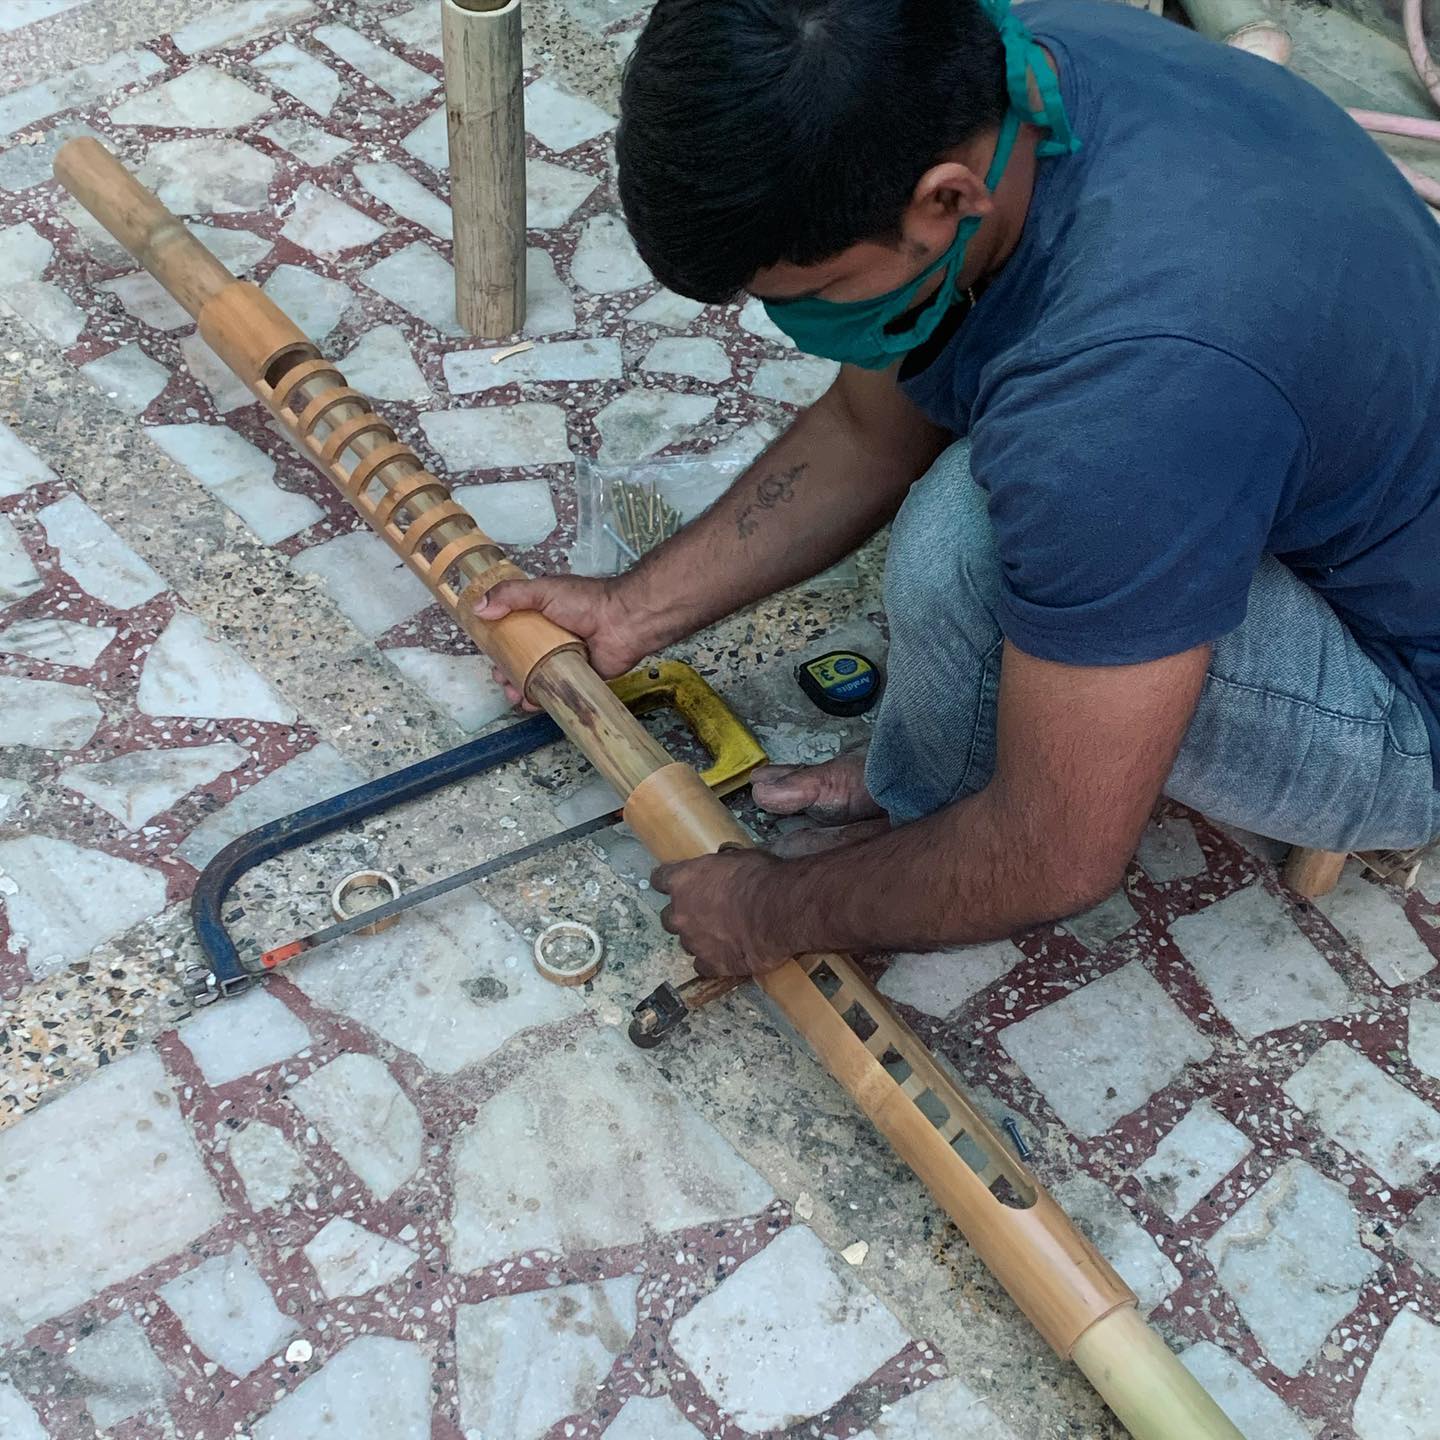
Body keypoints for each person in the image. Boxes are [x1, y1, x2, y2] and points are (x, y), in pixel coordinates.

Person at [475, 0, 1440, 976]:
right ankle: (941, 782)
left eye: (802, 295)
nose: (790, 324)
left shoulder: (1127, 402)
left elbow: (1055, 854)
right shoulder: (975, 57)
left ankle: (941, 806)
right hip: (1305, 458)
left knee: (966, 547)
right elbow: (870, 426)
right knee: (1039, 504)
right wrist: (630, 613)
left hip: (1409, 698)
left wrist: (768, 910)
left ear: (945, 200)